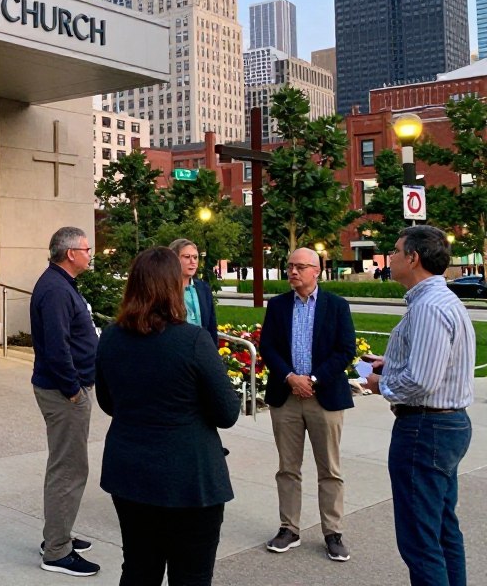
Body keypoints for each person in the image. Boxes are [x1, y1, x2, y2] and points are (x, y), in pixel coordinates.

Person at [97, 247, 240, 586]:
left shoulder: (112, 337)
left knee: (138, 568)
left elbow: (107, 401)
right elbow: (227, 412)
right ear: (173, 287)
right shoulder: (192, 339)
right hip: (189, 478)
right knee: (190, 574)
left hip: (130, 472)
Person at [365, 226, 475, 585]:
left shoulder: (428, 307)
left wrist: (384, 383)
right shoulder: (443, 302)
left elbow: (422, 381)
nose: (391, 257)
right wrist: (391, 363)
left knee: (420, 541)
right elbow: (433, 365)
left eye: (396, 251)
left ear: (413, 258)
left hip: (425, 429)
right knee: (442, 529)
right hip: (445, 426)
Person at [258, 247, 356, 562]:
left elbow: (345, 350)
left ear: (317, 270)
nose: (293, 272)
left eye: (300, 267)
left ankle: (333, 532)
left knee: (330, 469)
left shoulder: (337, 306)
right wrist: (290, 377)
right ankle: (289, 528)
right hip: (286, 397)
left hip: (324, 398)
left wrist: (312, 380)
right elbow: (267, 347)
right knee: (288, 468)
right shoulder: (278, 306)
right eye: (290, 266)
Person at [30, 226, 100, 577]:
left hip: (67, 389)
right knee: (69, 468)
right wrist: (74, 390)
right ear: (71, 253)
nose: (91, 254)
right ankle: (57, 551)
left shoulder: (61, 284)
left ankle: (58, 535)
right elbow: (57, 348)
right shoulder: (56, 289)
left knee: (68, 465)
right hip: (64, 393)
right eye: (87, 249)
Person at [169, 238, 218, 346]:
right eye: (187, 257)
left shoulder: (203, 288)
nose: (193, 261)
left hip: (202, 350)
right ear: (173, 259)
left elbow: (211, 326)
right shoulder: (164, 289)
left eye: (195, 257)